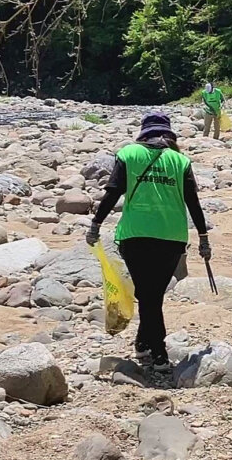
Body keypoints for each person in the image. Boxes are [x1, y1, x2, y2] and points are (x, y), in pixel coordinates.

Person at [86, 112, 211, 370]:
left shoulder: (129, 154)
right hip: (171, 237)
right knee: (151, 295)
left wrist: (96, 224)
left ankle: (158, 352)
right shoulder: (180, 160)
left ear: (144, 133)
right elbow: (193, 203)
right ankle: (145, 344)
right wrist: (203, 237)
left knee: (148, 295)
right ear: (168, 134)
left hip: (135, 236)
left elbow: (112, 193)